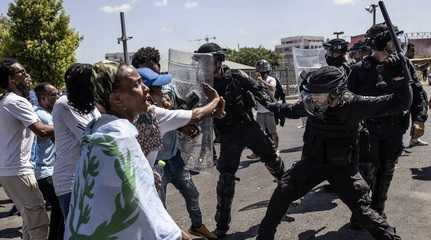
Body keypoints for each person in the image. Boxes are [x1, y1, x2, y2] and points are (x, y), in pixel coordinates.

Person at [257, 65, 409, 240]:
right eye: (311, 92)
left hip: (342, 168)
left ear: (336, 92)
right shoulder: (312, 104)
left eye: (318, 93)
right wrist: (268, 104)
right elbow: (289, 110)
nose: (313, 97)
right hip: (312, 163)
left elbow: (400, 102)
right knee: (282, 192)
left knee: (363, 212)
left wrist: (399, 79)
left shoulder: (355, 104)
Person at [64, 61, 195, 240]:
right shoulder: (119, 141)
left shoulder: (98, 133)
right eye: (137, 84)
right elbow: (148, 214)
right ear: (117, 99)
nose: (146, 88)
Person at [195, 42, 285, 237]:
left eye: (207, 61)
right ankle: (221, 227)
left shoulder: (237, 76)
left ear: (218, 60)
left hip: (249, 127)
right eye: (201, 62)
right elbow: (192, 106)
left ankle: (288, 194)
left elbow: (260, 92)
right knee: (226, 179)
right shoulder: (202, 84)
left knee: (274, 161)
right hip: (228, 135)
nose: (203, 65)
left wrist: (278, 108)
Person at [348, 23, 426, 220]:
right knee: (366, 174)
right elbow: (348, 102)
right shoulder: (359, 69)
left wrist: (419, 118)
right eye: (391, 38)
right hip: (367, 131)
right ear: (381, 41)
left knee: (386, 171)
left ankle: (378, 210)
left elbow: (417, 93)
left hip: (394, 130)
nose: (396, 42)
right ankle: (362, 214)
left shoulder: (403, 64)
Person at [135, 66, 219, 239]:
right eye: (158, 89)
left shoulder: (162, 107)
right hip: (157, 165)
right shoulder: (150, 114)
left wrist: (183, 128)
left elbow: (178, 120)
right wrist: (216, 100)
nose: (163, 92)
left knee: (192, 193)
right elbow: (196, 115)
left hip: (174, 158)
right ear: (146, 92)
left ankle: (197, 226)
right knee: (159, 206)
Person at [0, 58, 53, 240]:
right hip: (19, 170)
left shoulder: (5, 101)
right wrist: (66, 125)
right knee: (39, 223)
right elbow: (41, 130)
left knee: (30, 222)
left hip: (9, 171)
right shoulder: (17, 102)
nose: (27, 76)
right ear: (11, 79)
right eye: (22, 72)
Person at [52, 63, 101, 219]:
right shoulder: (64, 104)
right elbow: (92, 138)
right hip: (71, 183)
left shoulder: (90, 106)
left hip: (90, 179)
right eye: (94, 82)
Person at [32, 83, 64, 240]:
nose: (57, 97)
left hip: (45, 171)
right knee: (61, 207)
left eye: (57, 94)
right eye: (53, 95)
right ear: (43, 98)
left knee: (58, 209)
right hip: (45, 171)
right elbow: (59, 139)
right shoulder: (44, 115)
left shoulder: (41, 113)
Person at [247, 59, 279, 159]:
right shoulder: (257, 81)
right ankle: (257, 152)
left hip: (270, 111)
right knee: (258, 134)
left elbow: (272, 89)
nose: (261, 73)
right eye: (260, 72)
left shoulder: (271, 79)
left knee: (273, 132)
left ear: (267, 71)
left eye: (263, 72)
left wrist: (262, 82)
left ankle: (275, 150)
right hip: (260, 112)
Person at [405, 42, 428, 147]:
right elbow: (411, 61)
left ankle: (414, 139)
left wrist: (427, 64)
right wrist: (428, 60)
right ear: (407, 50)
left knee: (419, 114)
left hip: (417, 91)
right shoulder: (403, 59)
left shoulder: (411, 62)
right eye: (412, 50)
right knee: (403, 118)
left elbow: (419, 68)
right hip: (408, 92)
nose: (413, 52)